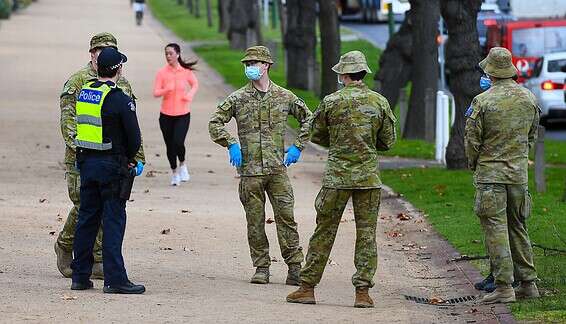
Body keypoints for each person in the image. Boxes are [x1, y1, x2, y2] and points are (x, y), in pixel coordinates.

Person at [286, 51, 396, 308]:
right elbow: (388, 141)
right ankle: (362, 292)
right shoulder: (379, 102)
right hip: (368, 178)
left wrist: (338, 143)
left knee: (323, 231)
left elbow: (318, 134)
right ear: (363, 73)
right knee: (367, 235)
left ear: (344, 74)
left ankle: (307, 287)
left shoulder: (331, 101)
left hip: (337, 177)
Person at [208, 46, 311, 285]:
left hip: (277, 169)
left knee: (286, 218)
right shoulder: (237, 98)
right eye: (247, 64)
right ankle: (261, 267)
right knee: (255, 221)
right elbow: (215, 123)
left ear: (266, 66)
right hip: (250, 172)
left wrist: (298, 146)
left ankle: (295, 267)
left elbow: (309, 119)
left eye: (254, 63)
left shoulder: (285, 97)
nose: (249, 67)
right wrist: (231, 143)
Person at [55, 32, 145, 279]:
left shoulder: (122, 83)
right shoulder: (77, 83)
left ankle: (96, 260)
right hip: (83, 157)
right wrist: (85, 152)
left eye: (108, 49)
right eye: (98, 50)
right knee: (85, 206)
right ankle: (65, 244)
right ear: (91, 53)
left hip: (111, 158)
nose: (101, 54)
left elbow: (129, 125)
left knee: (106, 207)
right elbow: (69, 124)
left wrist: (137, 156)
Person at [465, 47, 540, 304]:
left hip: (491, 176)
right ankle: (528, 283)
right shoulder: (529, 98)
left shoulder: (482, 101)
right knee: (518, 227)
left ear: (490, 72)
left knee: (495, 230)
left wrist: (474, 163)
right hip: (518, 175)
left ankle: (504, 286)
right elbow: (532, 136)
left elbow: (472, 140)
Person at [153, 43, 199, 186]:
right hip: (166, 115)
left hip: (182, 114)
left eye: (171, 53)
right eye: (166, 53)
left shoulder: (185, 71)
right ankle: (174, 172)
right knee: (170, 145)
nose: (168, 56)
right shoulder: (162, 73)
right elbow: (155, 92)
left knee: (178, 142)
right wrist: (166, 89)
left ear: (178, 54)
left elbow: (195, 84)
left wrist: (189, 95)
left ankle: (183, 164)